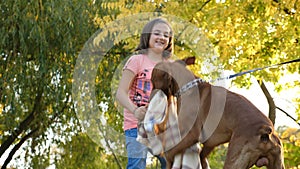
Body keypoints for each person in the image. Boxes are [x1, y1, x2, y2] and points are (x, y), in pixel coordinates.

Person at [116, 17, 174, 169]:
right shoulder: (137, 61)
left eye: (166, 35)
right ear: (147, 35)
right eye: (157, 33)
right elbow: (120, 93)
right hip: (136, 124)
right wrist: (135, 110)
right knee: (137, 164)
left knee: (172, 163)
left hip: (162, 127)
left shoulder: (170, 66)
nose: (162, 37)